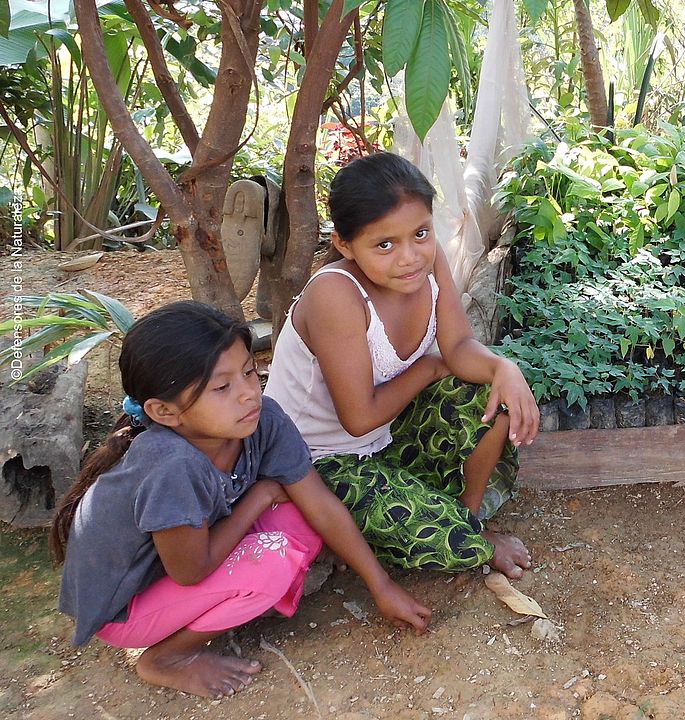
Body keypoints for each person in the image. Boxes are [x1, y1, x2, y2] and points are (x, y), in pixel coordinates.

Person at [53, 302, 432, 699]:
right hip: (128, 606)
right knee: (270, 564)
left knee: (303, 517)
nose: (249, 394)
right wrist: (260, 497)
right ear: (164, 412)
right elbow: (191, 571)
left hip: (190, 556)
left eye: (249, 372)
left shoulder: (263, 420)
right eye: (222, 387)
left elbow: (318, 503)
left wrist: (381, 584)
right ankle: (167, 657)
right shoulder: (170, 465)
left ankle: (238, 599)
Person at [264, 152, 539, 580]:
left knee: (493, 398)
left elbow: (460, 345)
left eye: (421, 233)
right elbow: (358, 419)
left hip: (387, 433)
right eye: (385, 244)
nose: (410, 256)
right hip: (316, 463)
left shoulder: (429, 266)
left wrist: (504, 367)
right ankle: (462, 539)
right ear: (344, 245)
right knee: (420, 526)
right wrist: (431, 368)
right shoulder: (335, 296)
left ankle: (465, 519)